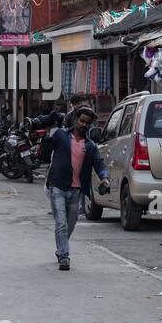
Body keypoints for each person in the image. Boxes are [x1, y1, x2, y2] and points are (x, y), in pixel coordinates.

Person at [38, 106, 110, 270]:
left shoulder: (90, 146)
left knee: (71, 223)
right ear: (76, 120)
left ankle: (61, 247)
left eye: (87, 123)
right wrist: (47, 131)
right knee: (61, 223)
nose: (84, 125)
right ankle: (64, 256)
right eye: (81, 121)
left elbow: (100, 164)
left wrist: (105, 179)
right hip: (57, 187)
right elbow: (44, 152)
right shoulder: (61, 136)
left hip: (76, 191)